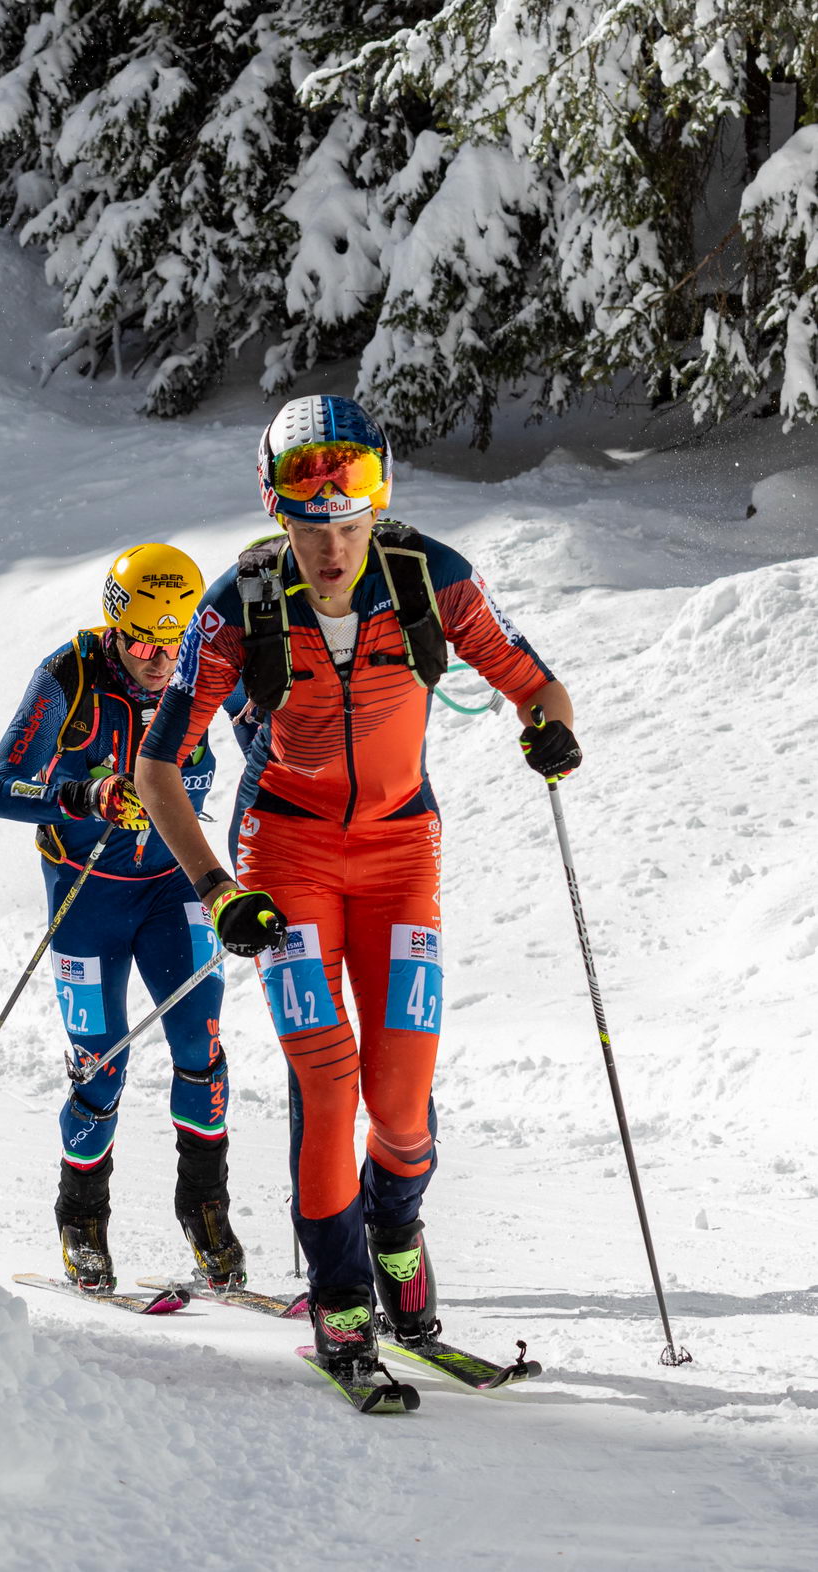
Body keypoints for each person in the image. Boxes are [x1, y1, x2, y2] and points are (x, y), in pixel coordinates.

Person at [135, 395, 580, 1373]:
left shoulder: (432, 577)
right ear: (276, 510)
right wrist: (217, 889)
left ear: (377, 502)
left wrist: (549, 727)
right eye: (307, 520)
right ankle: (340, 1301)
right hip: (284, 859)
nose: (331, 543)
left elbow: (536, 682)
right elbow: (158, 769)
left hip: (398, 856)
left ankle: (396, 1238)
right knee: (329, 1081)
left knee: (402, 1096)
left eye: (348, 516)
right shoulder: (240, 601)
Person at [0, 542, 249, 1296]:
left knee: (200, 1045)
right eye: (140, 642)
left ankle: (204, 1210)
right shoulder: (67, 674)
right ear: (112, 628)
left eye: (172, 643)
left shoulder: (206, 661)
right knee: (100, 1061)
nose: (159, 660)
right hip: (87, 893)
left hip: (174, 886)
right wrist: (82, 796)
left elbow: (267, 741)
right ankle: (82, 1218)